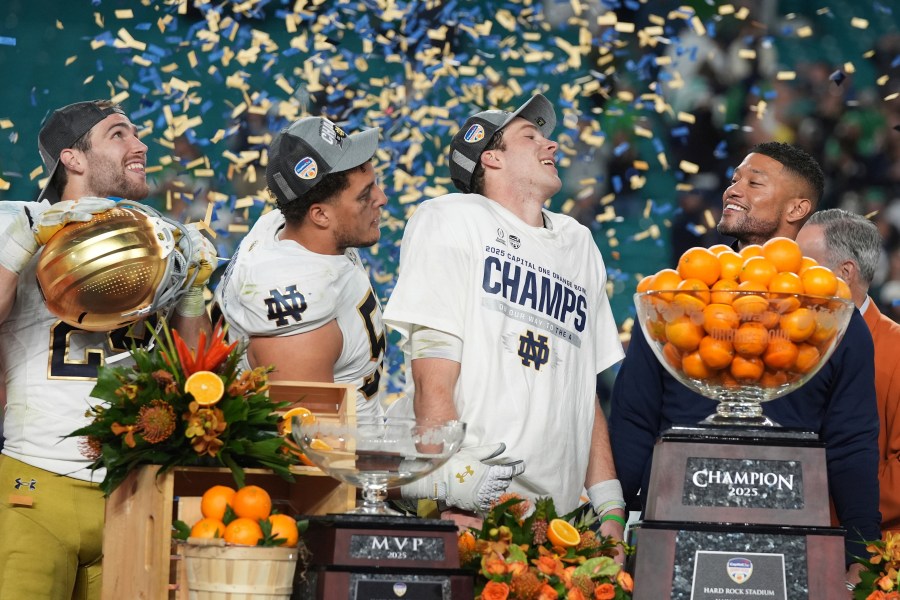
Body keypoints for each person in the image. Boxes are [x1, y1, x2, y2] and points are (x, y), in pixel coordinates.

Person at [609, 142, 880, 571]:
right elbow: (634, 420)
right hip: (672, 530)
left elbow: (851, 445)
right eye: (735, 179)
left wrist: (862, 552)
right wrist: (614, 526)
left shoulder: (834, 319)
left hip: (788, 542)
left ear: (797, 208)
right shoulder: (674, 299)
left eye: (754, 182)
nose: (733, 189)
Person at [383, 94, 627, 538]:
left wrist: (610, 505)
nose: (551, 146)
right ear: (490, 158)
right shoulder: (452, 218)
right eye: (531, 137)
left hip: (558, 518)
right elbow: (432, 370)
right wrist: (449, 483)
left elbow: (582, 389)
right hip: (475, 498)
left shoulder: (579, 243)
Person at [0, 99, 214, 600]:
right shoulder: (19, 222)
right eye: (119, 134)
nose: (139, 146)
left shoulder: (155, 236)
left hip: (132, 484)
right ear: (72, 158)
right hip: (36, 477)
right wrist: (18, 245)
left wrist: (193, 290)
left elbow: (194, 370)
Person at [215, 116, 387, 417]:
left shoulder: (281, 226)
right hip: (349, 458)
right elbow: (311, 449)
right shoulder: (296, 314)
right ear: (319, 215)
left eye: (375, 185)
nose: (382, 199)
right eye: (365, 195)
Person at [797, 208, 900, 534]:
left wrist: (812, 495)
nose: (788, 275)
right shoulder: (781, 342)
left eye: (802, 265)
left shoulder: (896, 351)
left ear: (845, 272)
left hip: (865, 553)